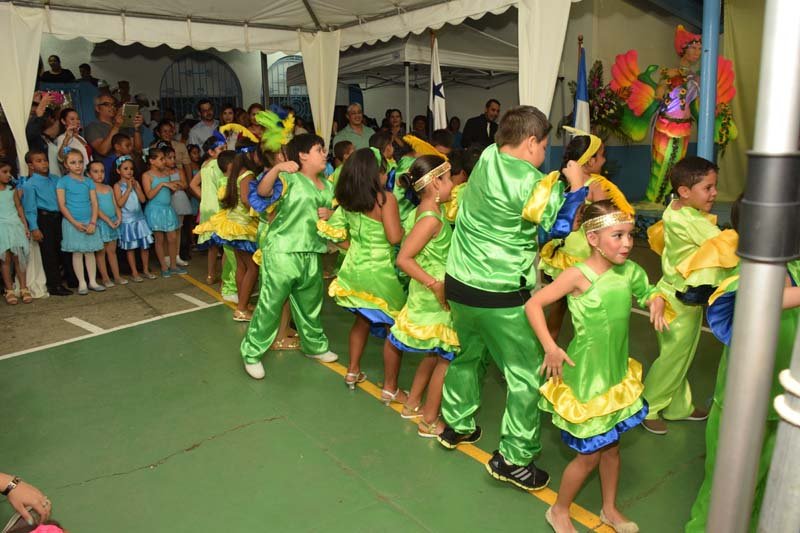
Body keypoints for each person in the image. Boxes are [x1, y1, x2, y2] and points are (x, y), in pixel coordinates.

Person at [436, 106, 585, 491]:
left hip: (459, 283)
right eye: (544, 146)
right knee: (524, 374)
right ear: (531, 142)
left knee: (468, 355)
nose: (544, 154)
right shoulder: (534, 183)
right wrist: (577, 188)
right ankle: (514, 459)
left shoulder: (487, 157)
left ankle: (457, 425)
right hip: (500, 293)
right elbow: (558, 227)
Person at [527, 200, 667, 533]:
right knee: (589, 455)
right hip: (588, 377)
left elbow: (648, 291)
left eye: (630, 235)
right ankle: (559, 510)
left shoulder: (629, 271)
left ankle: (609, 509)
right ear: (593, 238)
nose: (627, 243)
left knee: (612, 448)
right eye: (617, 236)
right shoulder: (577, 276)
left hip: (615, 374)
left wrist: (656, 300)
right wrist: (550, 346)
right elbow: (533, 305)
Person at [642, 156, 739, 434]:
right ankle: (649, 407)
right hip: (678, 301)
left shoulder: (677, 208)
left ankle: (678, 406)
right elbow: (724, 243)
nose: (714, 193)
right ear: (685, 191)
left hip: (678, 297)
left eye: (714, 186)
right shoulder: (688, 220)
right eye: (708, 188)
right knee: (672, 359)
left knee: (679, 355)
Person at [240, 133, 338, 379]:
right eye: (319, 149)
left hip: (312, 251)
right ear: (302, 155)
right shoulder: (288, 179)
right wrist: (277, 168)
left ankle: (315, 346)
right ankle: (251, 353)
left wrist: (331, 215)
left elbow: (333, 218)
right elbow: (262, 192)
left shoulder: (327, 185)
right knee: (270, 304)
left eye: (324, 149)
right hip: (282, 251)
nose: (324, 153)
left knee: (310, 304)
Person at [318, 149, 406, 398]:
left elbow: (332, 232)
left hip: (354, 270)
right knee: (393, 329)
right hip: (382, 273)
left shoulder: (348, 201)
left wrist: (353, 247)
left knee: (361, 321)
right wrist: (407, 229)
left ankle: (352, 371)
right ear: (375, 173)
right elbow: (394, 237)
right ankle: (390, 387)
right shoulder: (385, 200)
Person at [538, 129, 635, 342]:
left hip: (563, 249)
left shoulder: (560, 181)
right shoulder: (596, 185)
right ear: (590, 161)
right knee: (586, 305)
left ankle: (546, 345)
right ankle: (588, 345)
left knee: (559, 305)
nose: (604, 160)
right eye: (601, 156)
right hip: (583, 253)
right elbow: (606, 220)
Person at [386, 155, 457, 437]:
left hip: (431, 292)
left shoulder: (428, 210)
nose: (453, 185)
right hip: (434, 296)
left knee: (434, 352)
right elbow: (404, 259)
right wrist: (435, 285)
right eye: (448, 179)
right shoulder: (430, 218)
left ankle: (413, 403)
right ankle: (428, 420)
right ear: (436, 183)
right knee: (446, 357)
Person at [194, 139, 261, 321]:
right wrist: (261, 211)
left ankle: (243, 303)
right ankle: (241, 309)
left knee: (241, 266)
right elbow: (246, 200)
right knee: (253, 268)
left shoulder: (233, 176)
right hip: (243, 226)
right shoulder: (246, 175)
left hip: (232, 225)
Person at [21, 150, 72, 295]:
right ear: (31, 165)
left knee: (64, 248)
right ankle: (55, 285)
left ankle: (71, 279)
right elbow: (30, 209)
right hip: (44, 219)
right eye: (39, 161)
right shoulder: (29, 185)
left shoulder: (55, 179)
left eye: (45, 160)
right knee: (49, 253)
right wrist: (34, 228)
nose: (44, 163)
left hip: (59, 217)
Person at [56, 150, 105, 295]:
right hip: (72, 223)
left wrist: (93, 222)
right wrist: (74, 223)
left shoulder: (89, 181)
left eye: (80, 162)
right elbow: (62, 205)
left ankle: (93, 281)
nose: (77, 165)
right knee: (77, 253)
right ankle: (82, 283)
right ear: (66, 165)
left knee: (90, 252)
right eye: (73, 162)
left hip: (89, 222)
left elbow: (94, 203)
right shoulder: (63, 181)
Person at [142, 144, 183, 277]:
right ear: (151, 161)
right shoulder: (147, 175)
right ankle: (164, 267)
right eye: (161, 159)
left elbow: (168, 193)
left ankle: (173, 265)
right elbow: (149, 195)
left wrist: (173, 188)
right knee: (159, 239)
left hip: (167, 209)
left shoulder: (166, 173)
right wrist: (162, 184)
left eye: (164, 159)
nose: (164, 161)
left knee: (172, 238)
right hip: (155, 210)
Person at [113, 156, 155, 282]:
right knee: (130, 248)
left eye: (131, 169)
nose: (129, 171)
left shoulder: (136, 183)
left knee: (144, 246)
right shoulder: (117, 186)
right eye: (125, 168)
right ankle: (134, 272)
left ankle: (145, 270)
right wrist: (128, 189)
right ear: (118, 171)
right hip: (127, 220)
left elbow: (142, 200)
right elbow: (120, 203)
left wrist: (136, 187)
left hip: (139, 219)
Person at [87, 161, 125, 287]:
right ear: (88, 174)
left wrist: (119, 217)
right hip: (101, 223)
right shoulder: (90, 189)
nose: (100, 174)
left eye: (102, 171)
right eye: (95, 171)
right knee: (101, 252)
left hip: (113, 222)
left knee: (112, 251)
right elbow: (96, 208)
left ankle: (117, 276)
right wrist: (108, 221)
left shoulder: (108, 188)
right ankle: (105, 278)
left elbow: (115, 205)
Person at [0, 159, 31, 304]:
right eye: (4, 172)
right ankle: (9, 290)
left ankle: (24, 288)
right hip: (2, 227)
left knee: (19, 258)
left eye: (9, 172)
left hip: (15, 226)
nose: (8, 175)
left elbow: (19, 207)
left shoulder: (11, 190)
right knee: (5, 260)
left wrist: (25, 226)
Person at [84, 94, 144, 159]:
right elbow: (103, 150)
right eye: (107, 104)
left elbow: (137, 150)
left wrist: (136, 128)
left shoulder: (122, 126)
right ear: (97, 108)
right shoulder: (92, 127)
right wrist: (116, 126)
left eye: (113, 105)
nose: (112, 107)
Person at [164, 146, 192, 266]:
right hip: (167, 201)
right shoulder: (162, 173)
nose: (173, 160)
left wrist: (174, 184)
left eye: (174, 157)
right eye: (169, 158)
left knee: (178, 229)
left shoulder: (179, 170)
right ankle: (167, 256)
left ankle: (176, 255)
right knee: (167, 230)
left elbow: (185, 184)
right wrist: (176, 184)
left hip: (180, 201)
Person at [55, 108, 92, 176]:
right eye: (72, 119)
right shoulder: (62, 138)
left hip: (88, 175)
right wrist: (67, 139)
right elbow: (62, 157)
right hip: (77, 175)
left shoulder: (81, 138)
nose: (77, 121)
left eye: (78, 119)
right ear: (63, 121)